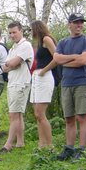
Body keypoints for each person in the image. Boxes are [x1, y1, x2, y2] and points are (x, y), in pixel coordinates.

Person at [53, 13, 86, 160]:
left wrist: (65, 61)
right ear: (69, 24)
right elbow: (56, 59)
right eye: (76, 22)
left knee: (82, 116)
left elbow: (84, 61)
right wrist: (74, 57)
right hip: (66, 83)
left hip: (82, 82)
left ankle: (82, 149)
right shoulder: (63, 42)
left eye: (81, 22)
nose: (79, 25)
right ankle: (69, 148)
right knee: (69, 118)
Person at [0, 22, 34, 152]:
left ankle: (8, 144)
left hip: (21, 83)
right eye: (10, 33)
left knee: (13, 115)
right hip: (12, 82)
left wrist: (12, 63)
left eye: (14, 32)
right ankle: (20, 142)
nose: (12, 35)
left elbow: (12, 63)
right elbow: (4, 67)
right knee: (18, 114)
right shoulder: (13, 48)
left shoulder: (25, 45)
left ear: (21, 31)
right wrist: (12, 64)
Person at [30, 20, 58, 149]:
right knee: (37, 113)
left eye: (32, 30)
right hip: (37, 76)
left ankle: (50, 145)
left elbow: (57, 58)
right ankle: (41, 144)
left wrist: (44, 70)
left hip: (45, 76)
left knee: (41, 113)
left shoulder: (47, 39)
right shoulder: (40, 42)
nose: (31, 33)